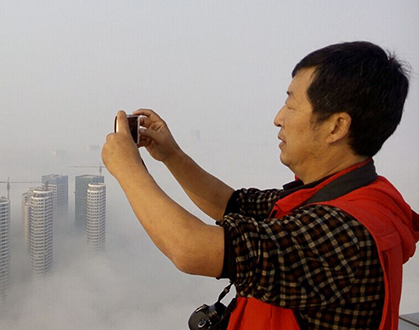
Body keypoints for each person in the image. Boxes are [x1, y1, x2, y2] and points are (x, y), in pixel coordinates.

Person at [101, 41, 419, 330]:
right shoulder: (343, 195)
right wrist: (171, 154)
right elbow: (232, 203)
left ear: (336, 126)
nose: (278, 118)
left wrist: (127, 167)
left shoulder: (344, 231)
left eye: (291, 105)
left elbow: (192, 250)